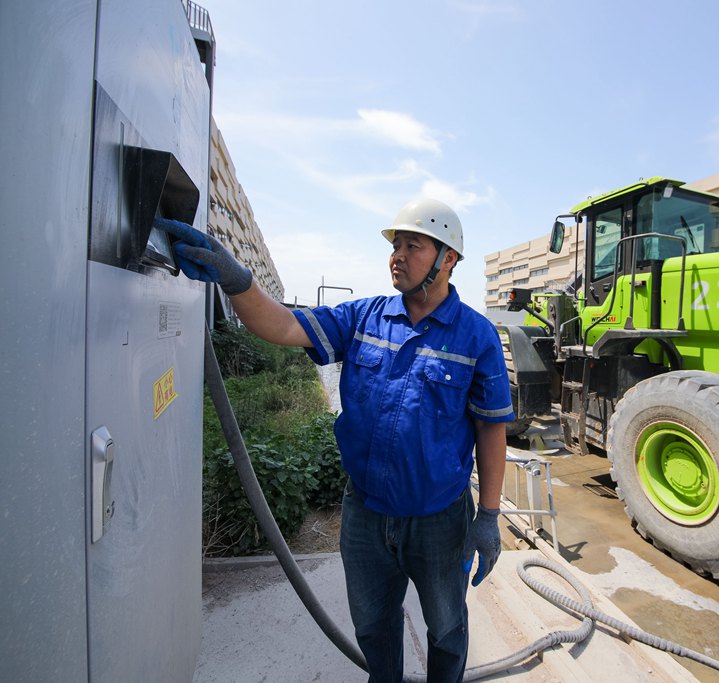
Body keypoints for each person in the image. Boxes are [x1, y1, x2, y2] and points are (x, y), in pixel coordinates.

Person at [157, 198, 514, 683]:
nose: (398, 256)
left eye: (414, 246)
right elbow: (283, 325)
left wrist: (489, 516)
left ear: (448, 258)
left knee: (447, 628)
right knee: (373, 624)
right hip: (365, 512)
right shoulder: (365, 318)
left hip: (438, 520)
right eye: (396, 246)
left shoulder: (476, 336)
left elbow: (491, 427)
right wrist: (236, 279)